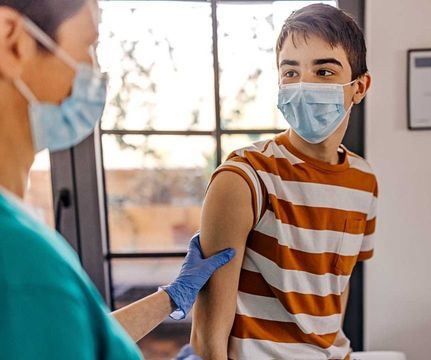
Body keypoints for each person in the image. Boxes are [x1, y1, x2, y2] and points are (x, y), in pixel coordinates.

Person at [0, 0, 234, 358]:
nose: (94, 72)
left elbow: (74, 334)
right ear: (12, 40)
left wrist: (171, 297)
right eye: (88, 47)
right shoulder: (19, 263)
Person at [190, 4, 377, 359]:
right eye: (291, 72)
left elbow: (336, 289)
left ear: (360, 86)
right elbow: (207, 340)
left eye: (324, 71)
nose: (304, 85)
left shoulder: (364, 180)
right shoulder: (244, 178)